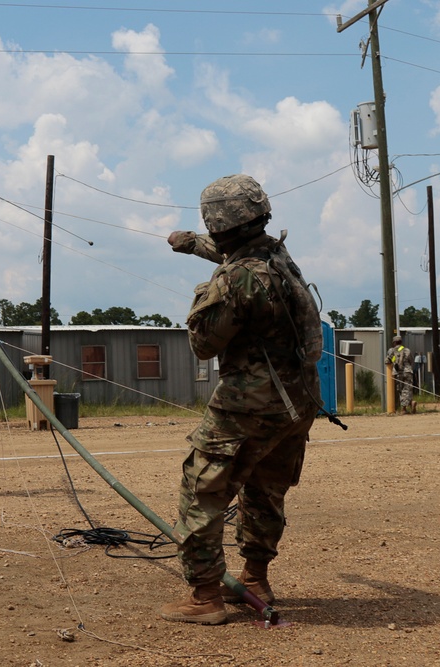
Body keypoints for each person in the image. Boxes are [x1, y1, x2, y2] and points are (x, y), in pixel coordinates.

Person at [160, 174, 322, 625]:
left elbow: (204, 343)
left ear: (217, 221)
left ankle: (205, 596)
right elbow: (241, 259)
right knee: (264, 490)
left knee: (202, 489)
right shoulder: (278, 256)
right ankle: (254, 579)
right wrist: (191, 245)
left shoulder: (234, 279)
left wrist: (204, 294)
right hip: (298, 401)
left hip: (249, 404)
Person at [385, 335, 415, 414]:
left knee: (401, 390)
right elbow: (412, 361)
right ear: (401, 342)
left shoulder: (392, 350)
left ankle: (404, 409)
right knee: (408, 389)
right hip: (408, 372)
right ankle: (411, 403)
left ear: (394, 342)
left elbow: (387, 361)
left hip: (398, 373)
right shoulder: (407, 350)